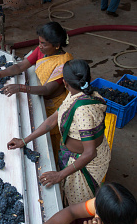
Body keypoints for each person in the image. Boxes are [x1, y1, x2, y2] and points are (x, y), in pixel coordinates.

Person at [8, 60, 111, 206]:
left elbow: (90, 153)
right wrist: (24, 140)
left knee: (79, 206)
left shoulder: (83, 111)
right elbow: (51, 121)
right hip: (75, 158)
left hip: (86, 164)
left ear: (65, 83)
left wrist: (59, 175)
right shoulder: (76, 94)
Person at [0, 22, 72, 160]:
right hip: (43, 99)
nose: (40, 46)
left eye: (44, 44)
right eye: (39, 42)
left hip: (55, 105)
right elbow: (20, 67)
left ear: (57, 45)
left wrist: (20, 88)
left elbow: (47, 89)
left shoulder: (63, 63)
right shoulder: (41, 51)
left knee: (53, 141)